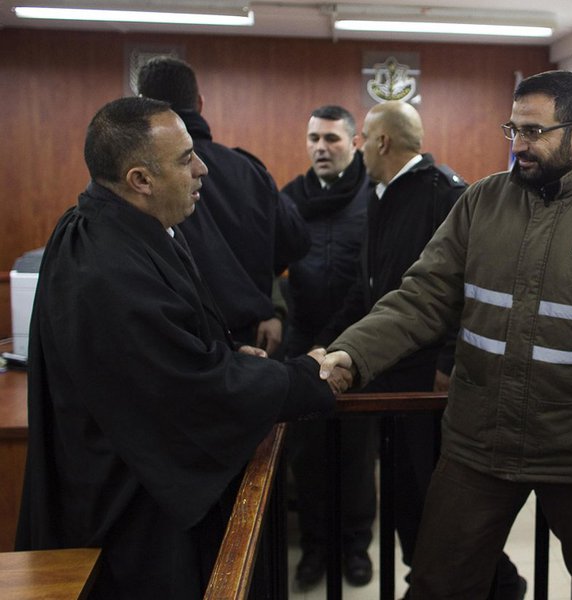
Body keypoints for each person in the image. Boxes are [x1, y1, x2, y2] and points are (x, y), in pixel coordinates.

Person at [318, 70, 572, 598]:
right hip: (479, 445)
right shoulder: (481, 203)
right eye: (513, 129)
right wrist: (351, 353)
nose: (519, 145)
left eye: (534, 132)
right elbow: (422, 297)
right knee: (439, 582)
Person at [15, 96, 344, 599]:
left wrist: (230, 357)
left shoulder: (128, 233)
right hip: (130, 517)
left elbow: (172, 352)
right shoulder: (106, 269)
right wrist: (304, 377)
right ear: (139, 180)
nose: (202, 168)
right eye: (185, 157)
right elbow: (188, 389)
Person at [316, 100, 525, 598]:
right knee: (407, 499)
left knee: (443, 505)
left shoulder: (445, 195)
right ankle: (426, 579)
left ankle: (501, 586)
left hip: (430, 385)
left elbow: (473, 288)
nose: (360, 148)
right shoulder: (381, 194)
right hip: (386, 376)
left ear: (383, 142)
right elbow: (371, 289)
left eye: (363, 138)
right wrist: (333, 342)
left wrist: (449, 361)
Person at [136, 56, 309, 355]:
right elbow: (295, 241)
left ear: (140, 107)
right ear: (200, 104)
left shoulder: (142, 180)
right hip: (254, 336)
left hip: (180, 340)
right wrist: (257, 291)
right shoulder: (248, 169)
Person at [281, 104, 375, 589]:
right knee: (310, 457)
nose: (321, 147)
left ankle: (355, 547)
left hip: (357, 345)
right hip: (301, 346)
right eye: (314, 138)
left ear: (354, 142)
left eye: (332, 139)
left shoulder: (372, 195)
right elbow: (267, 262)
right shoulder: (290, 197)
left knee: (356, 458)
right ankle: (315, 548)